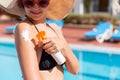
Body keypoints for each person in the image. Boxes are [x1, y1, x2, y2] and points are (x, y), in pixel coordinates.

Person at [0, 0, 79, 80]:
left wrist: (63, 46)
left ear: (49, 3)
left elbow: (75, 70)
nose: (35, 7)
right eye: (29, 2)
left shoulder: (54, 28)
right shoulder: (25, 28)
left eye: (42, 2)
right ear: (22, 4)